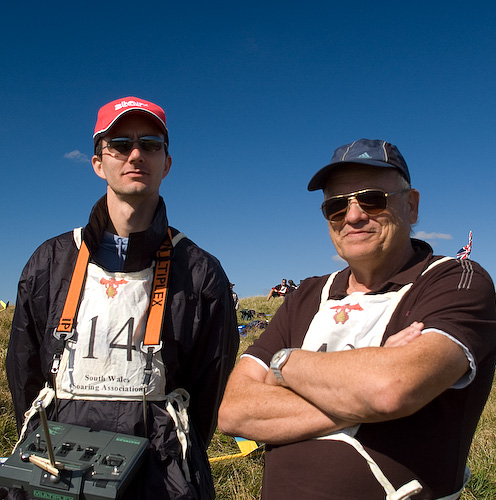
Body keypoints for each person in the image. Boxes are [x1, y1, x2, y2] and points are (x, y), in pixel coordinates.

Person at [219, 138, 496, 500]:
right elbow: (234, 412)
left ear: (411, 206)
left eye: (372, 199)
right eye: (336, 207)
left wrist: (285, 364)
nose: (352, 216)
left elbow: (390, 388)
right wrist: (363, 390)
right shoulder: (306, 295)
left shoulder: (456, 280)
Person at [6, 97, 239, 500]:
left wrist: (171, 449)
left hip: (162, 469)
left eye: (150, 144)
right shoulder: (50, 260)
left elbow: (208, 389)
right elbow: (23, 370)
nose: (135, 155)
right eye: (119, 144)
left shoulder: (200, 271)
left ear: (166, 163)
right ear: (98, 163)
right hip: (56, 464)